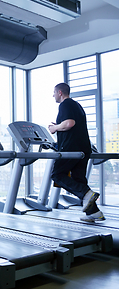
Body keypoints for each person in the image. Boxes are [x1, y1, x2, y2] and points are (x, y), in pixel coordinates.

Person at [48, 83, 104, 222]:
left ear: (60, 92)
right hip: (83, 148)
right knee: (78, 178)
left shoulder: (65, 104)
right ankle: (94, 213)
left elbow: (69, 123)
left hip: (71, 148)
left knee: (57, 175)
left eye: (54, 92)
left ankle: (86, 194)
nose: (53, 95)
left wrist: (55, 128)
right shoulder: (76, 105)